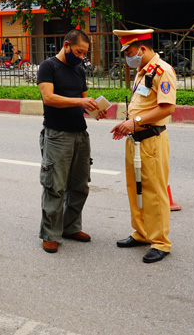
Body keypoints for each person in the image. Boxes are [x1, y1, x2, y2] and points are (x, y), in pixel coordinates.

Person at [110, 29, 177, 264]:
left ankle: (160, 242)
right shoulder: (142, 72)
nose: (127, 58)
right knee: (134, 187)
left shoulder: (163, 71)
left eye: (129, 52)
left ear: (142, 49)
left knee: (154, 191)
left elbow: (166, 108)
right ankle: (141, 233)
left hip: (152, 140)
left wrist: (135, 122)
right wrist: (127, 125)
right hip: (135, 140)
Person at [36, 29, 105, 253]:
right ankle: (50, 233)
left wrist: (95, 109)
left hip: (80, 134)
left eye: (85, 53)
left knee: (80, 185)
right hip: (57, 135)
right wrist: (79, 102)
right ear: (66, 45)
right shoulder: (48, 66)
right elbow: (49, 98)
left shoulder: (78, 69)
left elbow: (83, 101)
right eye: (79, 52)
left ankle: (70, 227)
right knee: (55, 186)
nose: (82, 57)